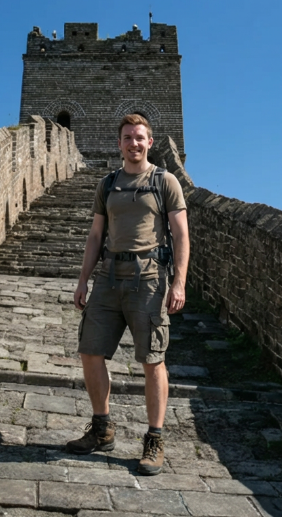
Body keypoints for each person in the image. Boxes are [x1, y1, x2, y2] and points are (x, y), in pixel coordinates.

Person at [66, 114, 190, 475]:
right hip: (108, 277)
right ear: (118, 143)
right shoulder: (107, 185)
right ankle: (102, 429)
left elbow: (181, 235)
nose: (133, 143)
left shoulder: (165, 182)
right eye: (127, 138)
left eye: (139, 138)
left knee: (152, 359)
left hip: (148, 278)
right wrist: (82, 279)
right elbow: (94, 236)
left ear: (150, 142)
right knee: (90, 351)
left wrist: (179, 282)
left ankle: (154, 438)